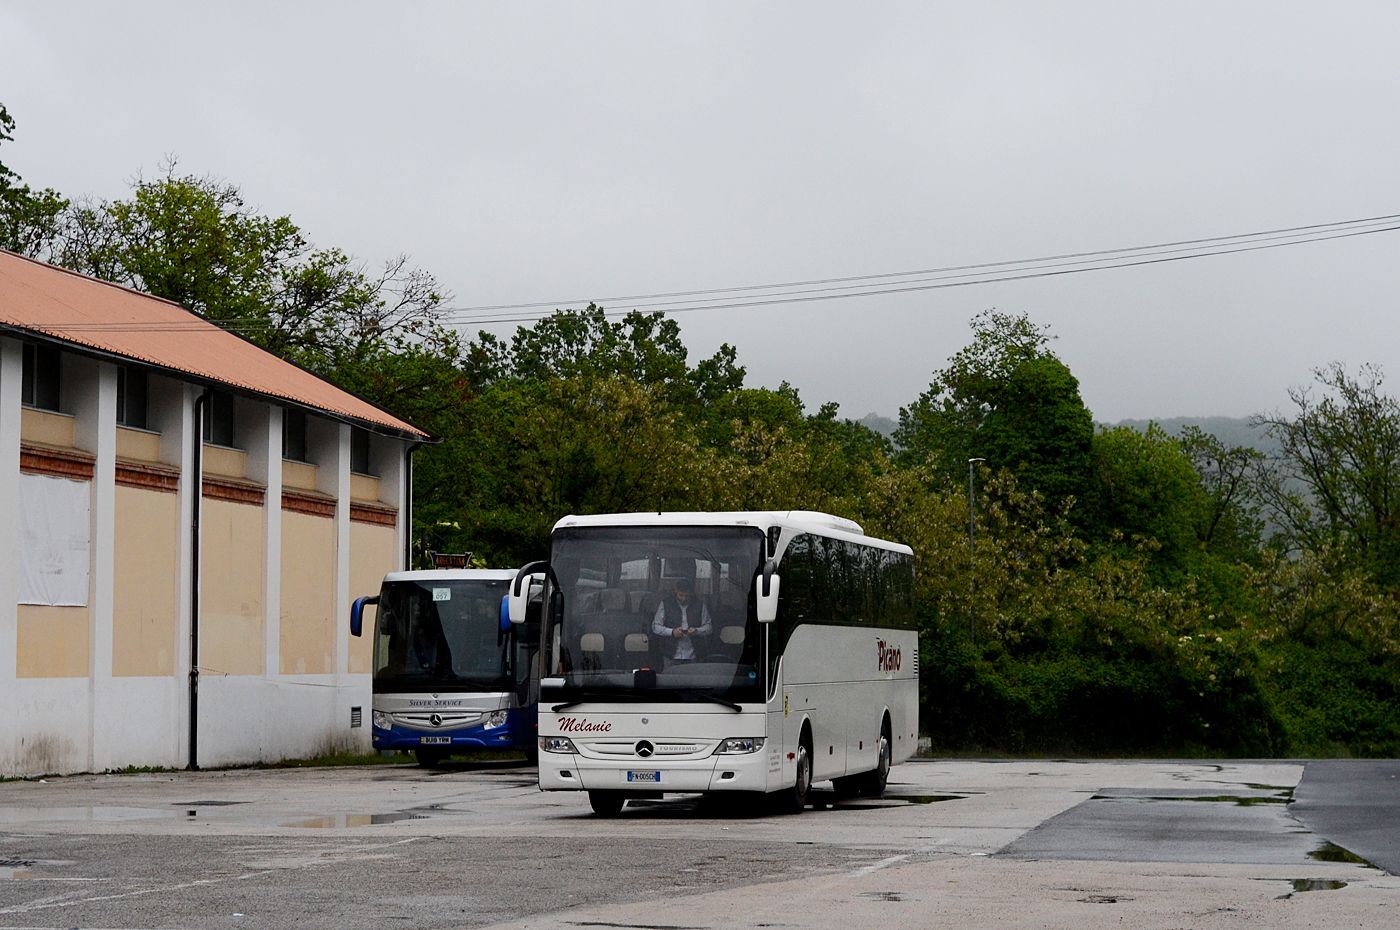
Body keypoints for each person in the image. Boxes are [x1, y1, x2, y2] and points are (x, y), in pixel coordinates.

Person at [651, 577, 712, 667]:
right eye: (681, 595)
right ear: (676, 591)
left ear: (691, 593)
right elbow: (655, 626)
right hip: (670, 655)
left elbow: (709, 627)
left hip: (694, 656)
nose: (683, 598)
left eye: (687, 596)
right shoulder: (665, 604)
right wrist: (672, 632)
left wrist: (697, 631)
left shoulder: (700, 605)